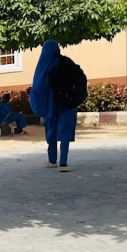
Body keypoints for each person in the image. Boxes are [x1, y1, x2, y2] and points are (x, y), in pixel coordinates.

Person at [31, 40, 78, 172]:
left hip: (50, 105)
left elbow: (37, 88)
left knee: (51, 132)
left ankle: (52, 160)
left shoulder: (42, 66)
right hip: (66, 103)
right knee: (65, 132)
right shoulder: (65, 62)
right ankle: (63, 162)